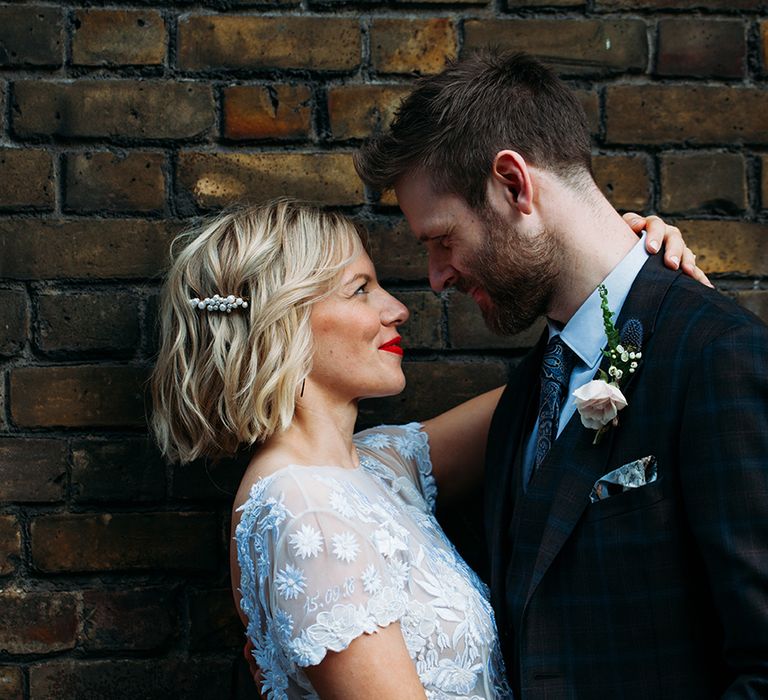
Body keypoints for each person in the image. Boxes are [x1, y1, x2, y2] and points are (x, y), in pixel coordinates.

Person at [150, 198, 697, 699]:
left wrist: (632, 276)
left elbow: (569, 385)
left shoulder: (380, 465)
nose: (397, 309)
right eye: (360, 289)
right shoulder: (304, 509)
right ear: (281, 321)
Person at [354, 50, 768, 698]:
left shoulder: (719, 357)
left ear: (514, 185)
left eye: (441, 239)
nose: (436, 277)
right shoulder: (526, 397)